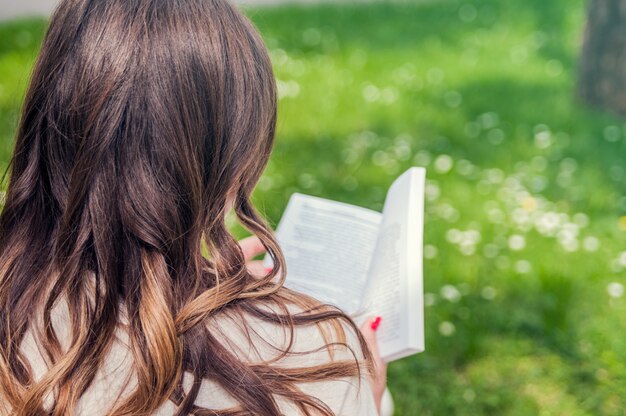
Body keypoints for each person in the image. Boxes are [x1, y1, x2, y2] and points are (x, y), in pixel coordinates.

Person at [0, 0, 390, 414]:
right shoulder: (314, 357)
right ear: (231, 157)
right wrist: (368, 388)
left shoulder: (17, 316)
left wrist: (180, 277)